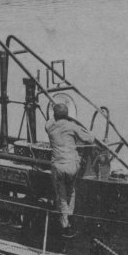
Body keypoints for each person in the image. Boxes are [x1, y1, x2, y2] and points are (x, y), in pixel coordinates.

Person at [44, 102, 95, 238]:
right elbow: (89, 139)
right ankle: (71, 218)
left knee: (61, 195)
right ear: (67, 115)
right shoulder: (72, 126)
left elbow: (49, 120)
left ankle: (64, 225)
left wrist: (55, 113)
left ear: (55, 115)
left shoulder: (49, 127)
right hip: (72, 166)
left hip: (58, 167)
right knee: (71, 190)